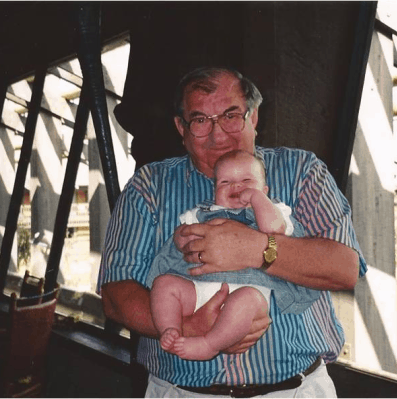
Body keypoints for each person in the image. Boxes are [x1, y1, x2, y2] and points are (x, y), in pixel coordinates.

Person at [98, 66, 367, 397]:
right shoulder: (149, 187)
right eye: (200, 121)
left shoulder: (301, 172)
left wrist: (256, 249)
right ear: (180, 127)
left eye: (231, 115)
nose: (218, 135)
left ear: (253, 117)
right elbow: (115, 295)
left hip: (295, 391)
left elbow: (345, 269)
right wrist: (186, 326)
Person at [148, 149, 321, 361]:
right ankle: (170, 329)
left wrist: (258, 200)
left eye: (247, 180)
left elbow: (274, 229)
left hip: (248, 292)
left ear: (265, 190)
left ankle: (209, 344)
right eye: (225, 182)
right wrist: (182, 238)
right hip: (199, 288)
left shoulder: (274, 209)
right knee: (164, 284)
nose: (236, 186)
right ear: (214, 191)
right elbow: (181, 237)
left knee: (245, 302)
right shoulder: (202, 213)